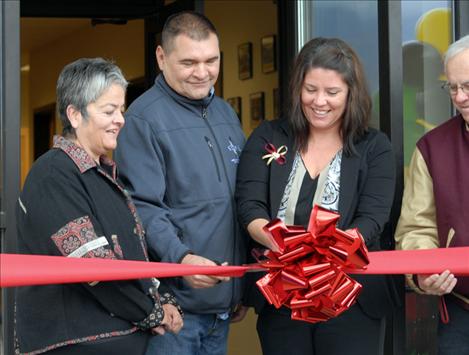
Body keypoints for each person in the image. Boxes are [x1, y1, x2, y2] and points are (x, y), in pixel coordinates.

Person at [236, 37, 398, 355]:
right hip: (282, 296)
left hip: (352, 298)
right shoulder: (269, 136)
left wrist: (323, 253)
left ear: (351, 93)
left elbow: (373, 219)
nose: (319, 101)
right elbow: (249, 206)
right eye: (310, 89)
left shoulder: (374, 146)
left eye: (332, 92)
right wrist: (283, 245)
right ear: (298, 87)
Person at [15, 58, 183, 355]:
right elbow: (92, 266)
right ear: (75, 115)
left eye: (121, 109)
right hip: (74, 345)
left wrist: (162, 297)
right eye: (109, 111)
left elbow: (132, 257)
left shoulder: (102, 174)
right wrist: (151, 311)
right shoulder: (53, 174)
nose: (120, 119)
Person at [114, 11, 246, 355]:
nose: (202, 72)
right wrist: (181, 258)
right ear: (161, 57)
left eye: (211, 60)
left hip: (223, 306)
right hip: (176, 312)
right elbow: (141, 207)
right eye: (189, 62)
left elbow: (238, 203)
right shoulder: (143, 120)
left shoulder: (226, 114)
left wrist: (241, 288)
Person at [395, 34, 469, 354]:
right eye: (452, 87)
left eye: (468, 85)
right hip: (460, 311)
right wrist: (424, 272)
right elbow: (416, 227)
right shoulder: (431, 147)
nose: (460, 97)